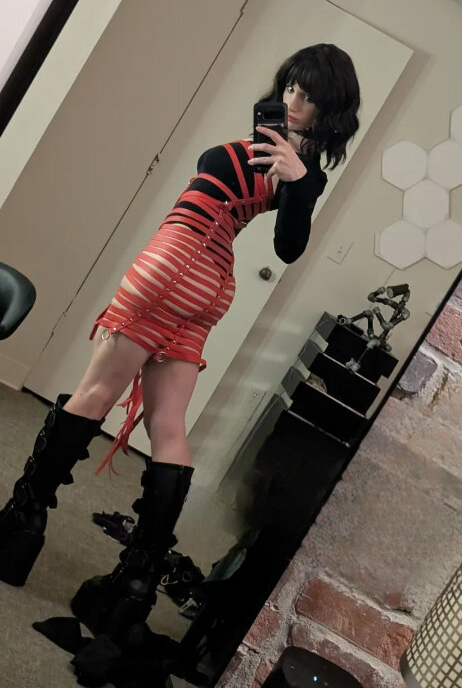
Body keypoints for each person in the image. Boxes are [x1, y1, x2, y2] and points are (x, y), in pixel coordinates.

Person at [0, 43, 361, 652]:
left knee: (94, 394)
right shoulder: (289, 162)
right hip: (211, 285)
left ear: (330, 111)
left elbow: (289, 248)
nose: (294, 101)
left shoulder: (299, 171)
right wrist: (298, 181)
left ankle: (20, 526)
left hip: (175, 260)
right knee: (168, 425)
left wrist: (298, 182)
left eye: (309, 97)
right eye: (292, 88)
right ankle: (136, 585)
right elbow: (285, 241)